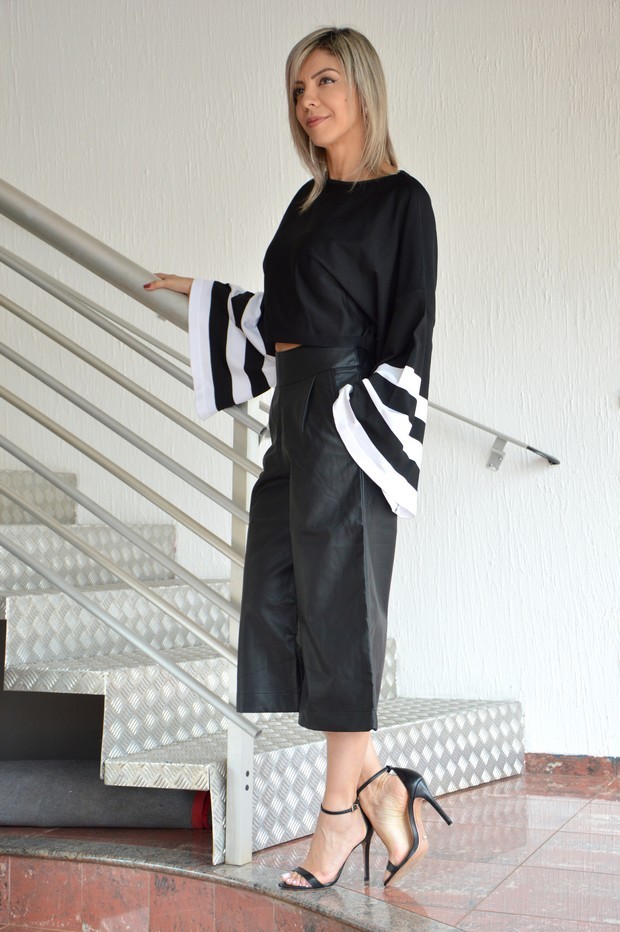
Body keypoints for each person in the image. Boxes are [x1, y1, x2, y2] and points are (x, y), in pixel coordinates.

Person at [144, 25, 451, 891]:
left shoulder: (403, 202)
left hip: (349, 417)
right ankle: (382, 786)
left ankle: (337, 817)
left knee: (341, 615)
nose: (308, 101)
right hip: (294, 413)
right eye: (297, 90)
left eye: (324, 82)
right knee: (290, 601)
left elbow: (411, 331)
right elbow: (288, 313)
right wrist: (204, 298)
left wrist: (368, 430)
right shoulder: (306, 202)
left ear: (362, 88)